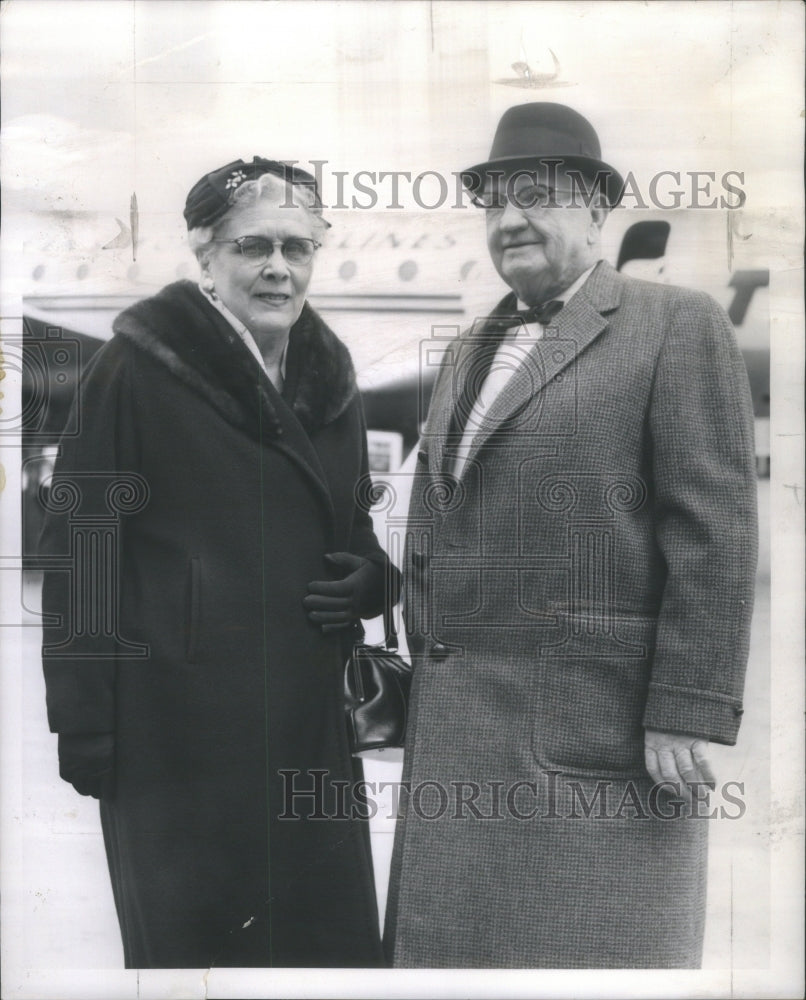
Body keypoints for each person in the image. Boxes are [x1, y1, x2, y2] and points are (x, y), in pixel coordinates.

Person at [384, 103, 758, 968]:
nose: (510, 219)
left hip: (596, 738)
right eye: (493, 202)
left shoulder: (676, 323)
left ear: (596, 207)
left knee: (586, 957)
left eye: (538, 196)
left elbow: (715, 530)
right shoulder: (469, 346)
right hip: (458, 738)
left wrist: (684, 707)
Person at [40, 157, 399, 968]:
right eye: (254, 247)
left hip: (309, 730)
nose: (278, 267)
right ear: (205, 254)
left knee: (324, 960)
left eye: (298, 248)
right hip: (175, 738)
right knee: (198, 965)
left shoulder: (330, 379)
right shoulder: (136, 366)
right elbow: (82, 556)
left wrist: (376, 579)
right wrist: (85, 722)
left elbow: (355, 529)